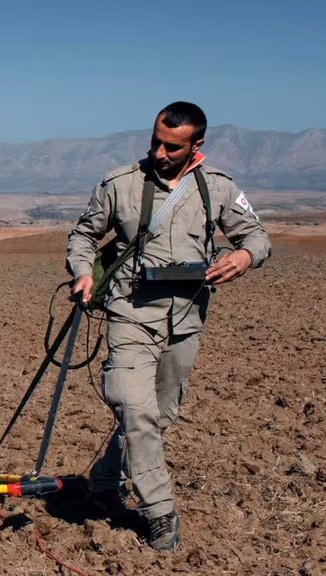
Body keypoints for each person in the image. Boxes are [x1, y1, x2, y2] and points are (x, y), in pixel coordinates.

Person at [66, 102, 270, 551]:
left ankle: (104, 480)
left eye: (171, 147)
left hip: (186, 318)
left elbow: (256, 236)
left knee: (158, 416)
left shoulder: (217, 188)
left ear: (196, 146)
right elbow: (84, 234)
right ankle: (159, 511)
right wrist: (82, 269)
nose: (158, 152)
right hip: (130, 313)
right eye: (155, 141)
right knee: (133, 408)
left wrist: (244, 256)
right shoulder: (120, 184)